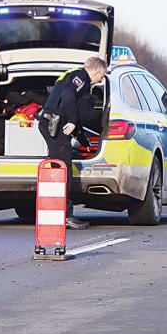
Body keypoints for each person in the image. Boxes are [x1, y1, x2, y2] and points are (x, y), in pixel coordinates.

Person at [38, 56, 108, 229]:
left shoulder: (71, 75)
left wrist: (81, 135)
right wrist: (72, 120)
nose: (101, 79)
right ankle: (65, 215)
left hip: (52, 123)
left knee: (58, 167)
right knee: (63, 169)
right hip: (54, 123)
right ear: (97, 71)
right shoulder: (81, 77)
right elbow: (68, 95)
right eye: (102, 76)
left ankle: (54, 212)